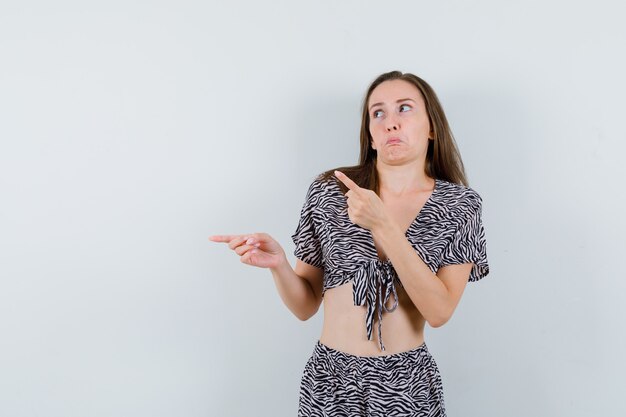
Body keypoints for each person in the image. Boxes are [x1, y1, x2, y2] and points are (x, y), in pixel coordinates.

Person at [209, 70, 490, 417]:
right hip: (330, 378)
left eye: (404, 108)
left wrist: (383, 225)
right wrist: (280, 264)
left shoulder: (459, 205)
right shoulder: (330, 191)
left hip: (406, 382)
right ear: (371, 136)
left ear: (431, 126)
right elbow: (305, 306)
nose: (391, 123)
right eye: (378, 113)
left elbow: (440, 312)